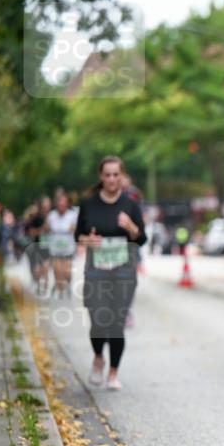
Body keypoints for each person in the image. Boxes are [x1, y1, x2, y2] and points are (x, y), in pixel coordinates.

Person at [75, 156, 147, 391]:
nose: (112, 179)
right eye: (107, 175)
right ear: (101, 177)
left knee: (116, 323)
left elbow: (142, 239)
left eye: (116, 174)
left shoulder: (130, 205)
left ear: (121, 176)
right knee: (98, 320)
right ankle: (98, 358)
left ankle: (113, 373)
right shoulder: (89, 204)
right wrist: (88, 240)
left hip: (123, 273)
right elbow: (78, 235)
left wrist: (131, 227)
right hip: (96, 271)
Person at [46, 188, 79, 297]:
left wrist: (73, 229)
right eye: (60, 204)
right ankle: (60, 290)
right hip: (55, 248)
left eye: (64, 204)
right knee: (58, 271)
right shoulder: (51, 215)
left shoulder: (72, 215)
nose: (62, 206)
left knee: (67, 272)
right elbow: (46, 229)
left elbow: (78, 229)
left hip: (68, 248)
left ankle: (68, 284)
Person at [24, 199, 50, 295]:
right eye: (44, 207)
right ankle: (38, 285)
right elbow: (31, 233)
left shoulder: (52, 216)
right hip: (37, 246)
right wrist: (42, 229)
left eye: (48, 206)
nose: (46, 209)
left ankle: (45, 289)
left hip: (48, 246)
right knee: (38, 269)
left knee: (46, 268)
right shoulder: (36, 219)